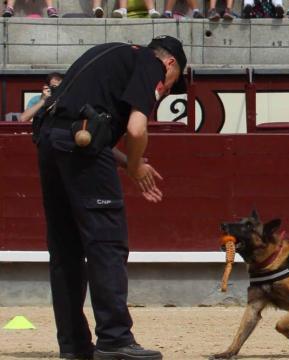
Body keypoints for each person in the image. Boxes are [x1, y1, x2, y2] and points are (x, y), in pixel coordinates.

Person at [34, 35, 187, 360]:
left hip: (51, 142)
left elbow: (80, 128)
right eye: (173, 83)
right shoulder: (152, 64)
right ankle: (115, 339)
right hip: (79, 147)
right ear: (170, 64)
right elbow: (135, 129)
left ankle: (74, 346)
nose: (169, 89)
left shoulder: (108, 52)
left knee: (65, 250)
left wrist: (130, 163)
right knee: (106, 244)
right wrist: (134, 165)